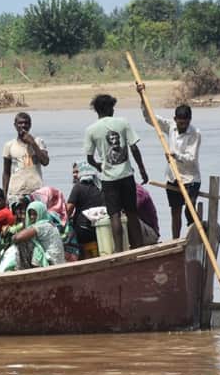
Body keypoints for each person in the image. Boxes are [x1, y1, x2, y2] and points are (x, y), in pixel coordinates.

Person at [84, 94, 149, 252]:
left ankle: (119, 251)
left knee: (114, 215)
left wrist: (100, 166)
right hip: (126, 175)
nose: (113, 110)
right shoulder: (123, 123)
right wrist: (142, 169)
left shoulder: (91, 130)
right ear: (108, 108)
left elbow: (89, 158)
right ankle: (138, 247)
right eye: (112, 107)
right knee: (132, 213)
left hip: (109, 179)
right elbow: (134, 148)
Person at [137, 83, 202, 239]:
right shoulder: (170, 126)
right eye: (180, 123)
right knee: (175, 211)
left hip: (190, 178)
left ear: (190, 120)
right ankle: (176, 240)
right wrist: (142, 96)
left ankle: (193, 235)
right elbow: (150, 118)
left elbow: (191, 159)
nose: (183, 126)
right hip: (173, 177)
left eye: (186, 123)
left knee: (189, 209)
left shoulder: (195, 133)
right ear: (175, 119)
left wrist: (175, 155)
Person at [2, 112, 49, 197]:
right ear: (15, 125)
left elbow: (45, 162)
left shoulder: (38, 142)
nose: (23, 125)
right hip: (16, 192)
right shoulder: (9, 145)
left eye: (26, 123)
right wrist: (5, 195)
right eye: (20, 123)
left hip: (36, 191)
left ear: (30, 125)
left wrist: (33, 143)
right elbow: (6, 172)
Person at [13, 200, 66, 268]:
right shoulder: (49, 223)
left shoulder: (43, 224)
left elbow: (18, 237)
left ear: (41, 213)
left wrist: (14, 237)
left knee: (23, 242)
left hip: (51, 262)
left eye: (35, 214)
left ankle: (26, 270)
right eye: (30, 214)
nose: (32, 217)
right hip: (56, 261)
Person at [67, 161, 105, 254]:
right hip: (101, 227)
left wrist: (63, 221)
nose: (75, 175)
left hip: (83, 229)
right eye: (73, 172)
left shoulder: (78, 187)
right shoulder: (101, 186)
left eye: (77, 172)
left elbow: (69, 209)